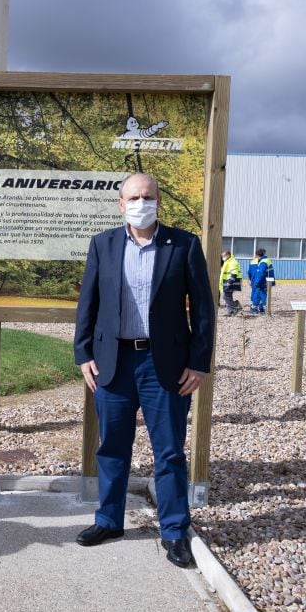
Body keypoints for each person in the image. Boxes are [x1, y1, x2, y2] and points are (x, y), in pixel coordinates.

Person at [73, 173, 215, 568]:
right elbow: (88, 302)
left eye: (147, 196)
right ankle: (108, 520)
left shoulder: (184, 245)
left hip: (164, 365)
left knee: (168, 451)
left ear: (159, 201)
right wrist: (83, 353)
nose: (140, 203)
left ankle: (174, 531)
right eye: (133, 197)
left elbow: (203, 310)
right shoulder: (103, 244)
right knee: (112, 447)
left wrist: (199, 362)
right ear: (121, 204)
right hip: (112, 363)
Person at [247, 248, 273, 314]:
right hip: (265, 281)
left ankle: (254, 308)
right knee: (262, 294)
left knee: (256, 294)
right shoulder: (267, 260)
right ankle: (261, 308)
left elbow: (251, 272)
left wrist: (250, 279)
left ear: (256, 255)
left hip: (257, 281)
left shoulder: (258, 261)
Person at [219, 249, 242, 316]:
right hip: (227, 282)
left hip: (231, 283)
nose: (223, 257)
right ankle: (231, 312)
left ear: (228, 255)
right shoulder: (228, 261)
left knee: (225, 296)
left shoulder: (233, 262)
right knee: (228, 296)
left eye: (224, 256)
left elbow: (234, 273)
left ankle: (237, 304)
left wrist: (230, 282)